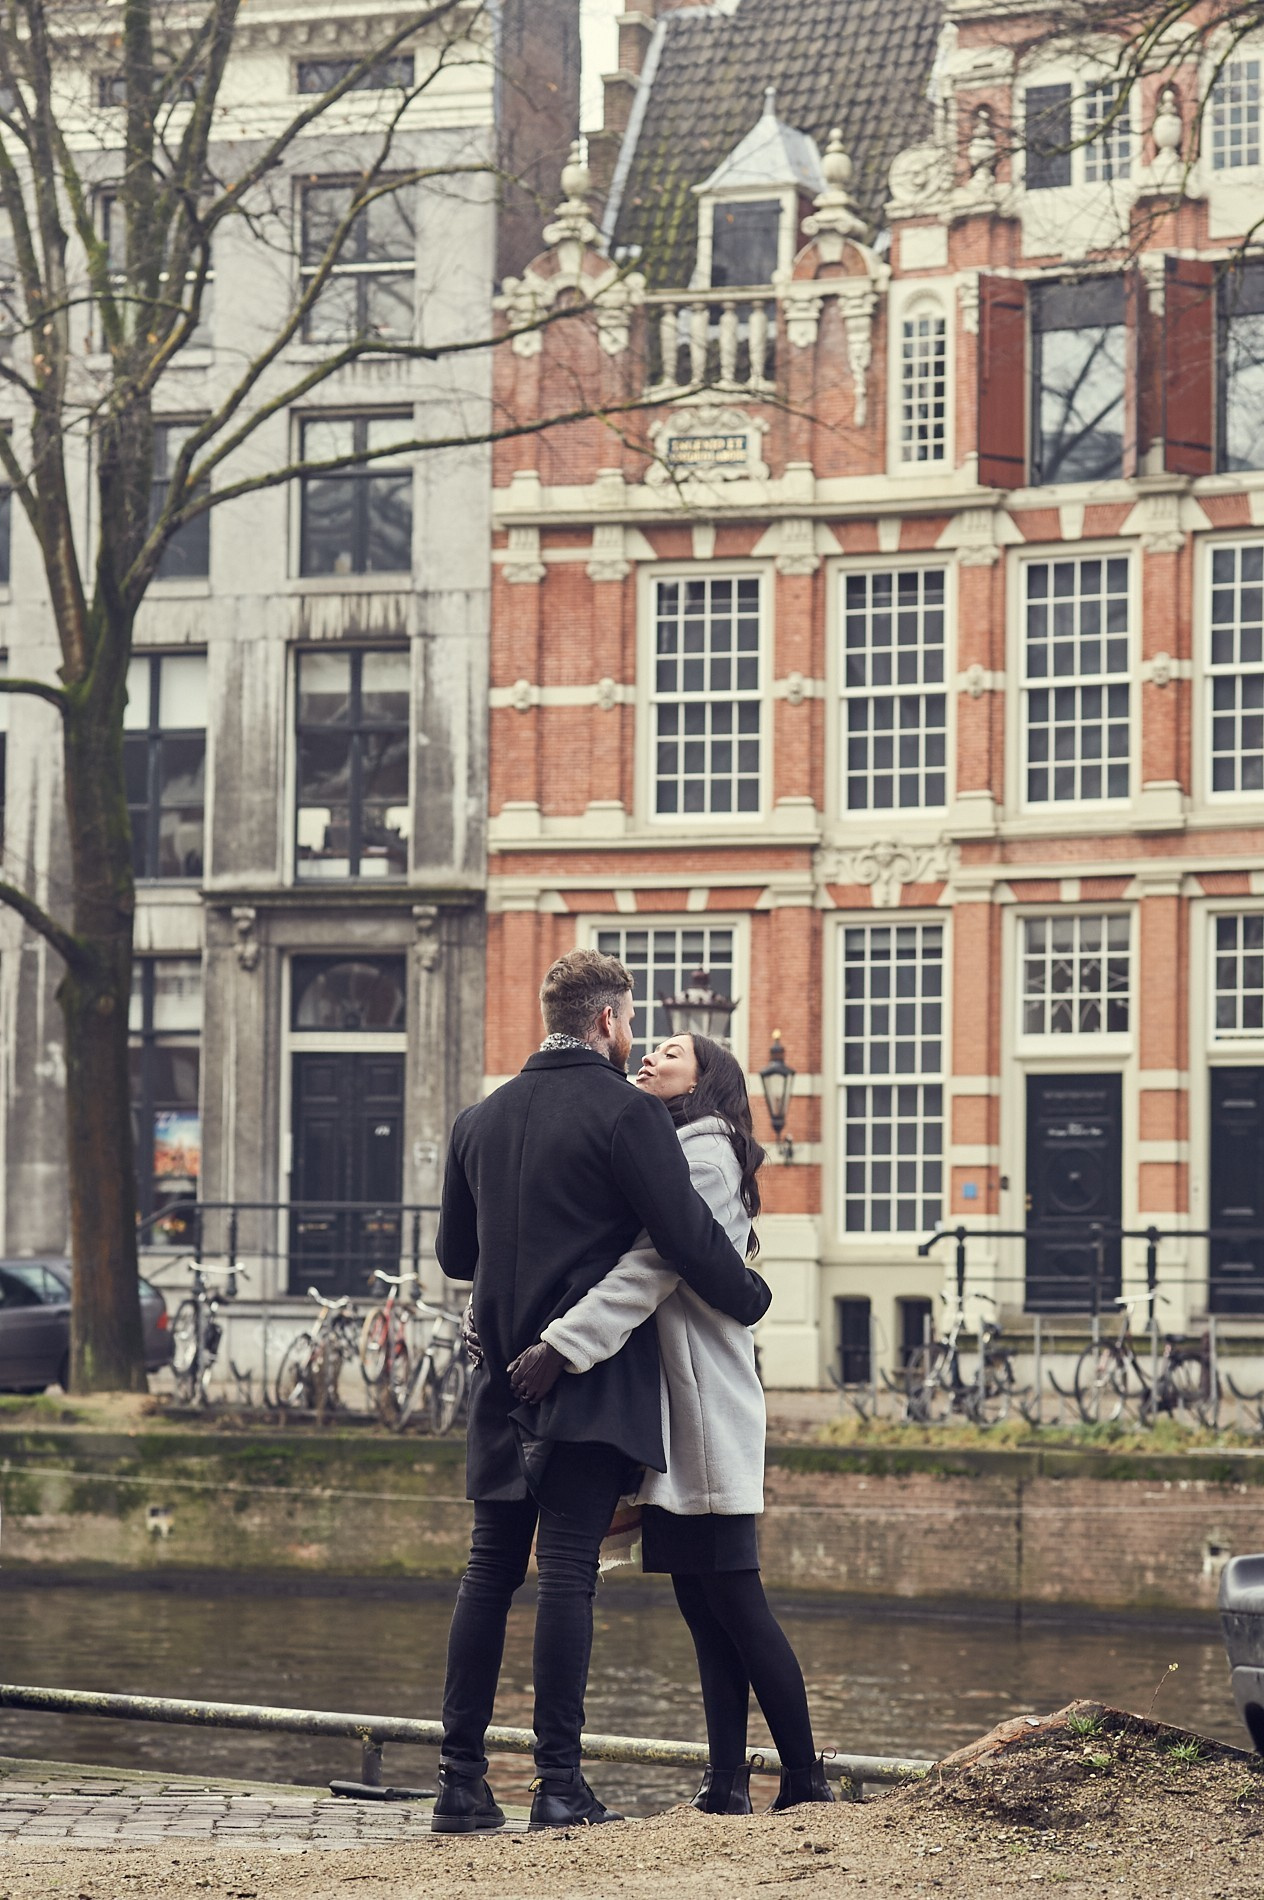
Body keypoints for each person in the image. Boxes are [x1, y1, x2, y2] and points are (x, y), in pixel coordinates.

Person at [431, 950, 771, 1835]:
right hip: (587, 1376)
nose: (636, 1041)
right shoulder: (629, 1113)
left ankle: (461, 1784)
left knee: (488, 1570)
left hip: (500, 1373)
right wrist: (749, 1296)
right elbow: (684, 1239)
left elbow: (458, 1257)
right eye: (632, 1024)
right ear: (609, 1021)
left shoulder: (478, 1119)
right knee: (568, 1573)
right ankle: (558, 1786)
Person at [509, 1031, 835, 1816]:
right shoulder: (671, 1146)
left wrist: (564, 1343)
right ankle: (726, 1782)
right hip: (682, 1414)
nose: (650, 1057)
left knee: (739, 1603)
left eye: (673, 1053)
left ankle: (805, 1776)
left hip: (707, 1411)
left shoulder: (706, 1155)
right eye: (650, 1046)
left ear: (705, 1080)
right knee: (706, 1610)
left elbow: (653, 1265)